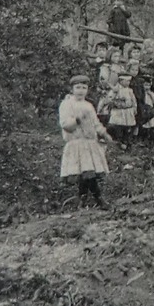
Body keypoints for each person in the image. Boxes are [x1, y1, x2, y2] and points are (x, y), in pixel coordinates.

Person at [58, 74, 109, 207]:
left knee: (88, 172)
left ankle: (84, 199)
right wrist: (77, 119)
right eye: (78, 87)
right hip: (76, 142)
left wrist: (104, 134)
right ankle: (98, 198)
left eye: (84, 87)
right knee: (85, 173)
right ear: (72, 89)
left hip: (89, 143)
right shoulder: (67, 104)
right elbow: (65, 125)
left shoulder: (88, 105)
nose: (81, 90)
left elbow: (95, 123)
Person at [103, 73, 139, 144]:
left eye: (129, 81)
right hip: (118, 111)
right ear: (121, 81)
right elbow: (109, 99)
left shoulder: (130, 90)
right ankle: (118, 140)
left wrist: (135, 107)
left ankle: (126, 140)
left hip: (128, 111)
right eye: (126, 81)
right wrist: (115, 101)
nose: (128, 83)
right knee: (118, 125)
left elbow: (133, 100)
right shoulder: (116, 89)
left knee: (127, 126)